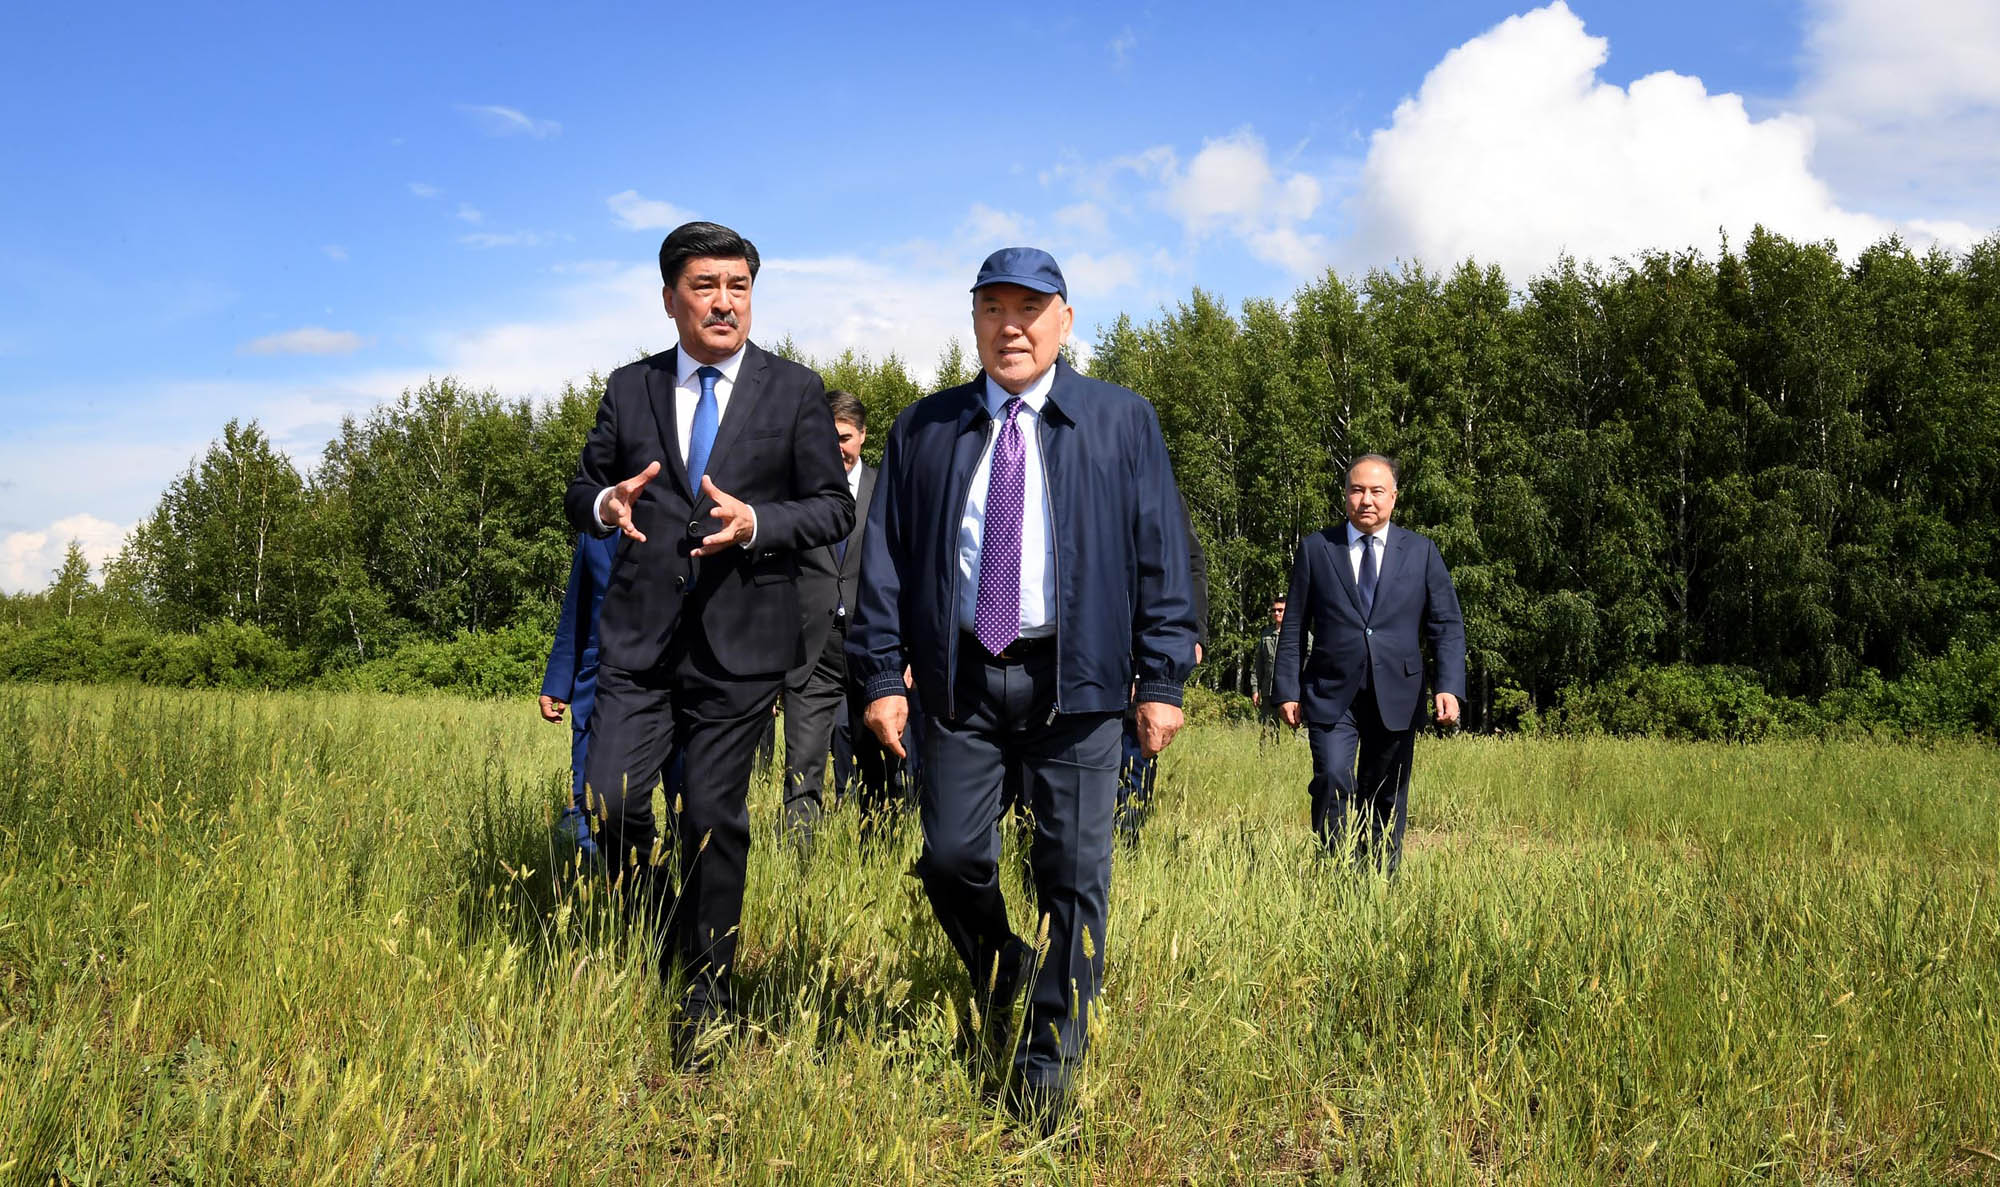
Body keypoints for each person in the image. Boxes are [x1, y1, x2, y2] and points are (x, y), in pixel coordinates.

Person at [848, 247, 1197, 1132]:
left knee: (1073, 876)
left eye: (1031, 309)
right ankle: (1004, 960)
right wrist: (883, 674)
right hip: (961, 681)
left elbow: (1162, 552)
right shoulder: (924, 428)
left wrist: (1161, 678)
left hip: (1077, 683)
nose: (1012, 326)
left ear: (1065, 321)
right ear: (973, 321)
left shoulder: (1120, 420)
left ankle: (1047, 1069)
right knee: (950, 858)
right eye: (994, 308)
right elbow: (883, 563)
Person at [566, 220, 853, 1036]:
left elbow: (833, 507)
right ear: (670, 299)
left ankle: (706, 991)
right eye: (705, 287)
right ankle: (664, 919)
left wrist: (759, 521)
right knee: (611, 797)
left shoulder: (793, 389)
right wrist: (606, 503)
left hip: (742, 642)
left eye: (739, 287)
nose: (724, 302)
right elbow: (582, 490)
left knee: (711, 816)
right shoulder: (630, 388)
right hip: (640, 640)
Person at [1273, 454, 1465, 875]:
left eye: (1377, 491)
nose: (1366, 500)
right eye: (1357, 490)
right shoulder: (1317, 549)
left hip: (1397, 693)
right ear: (1345, 495)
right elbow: (1295, 625)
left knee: (1385, 794)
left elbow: (1446, 624)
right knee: (1332, 778)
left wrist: (1448, 686)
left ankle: (1378, 881)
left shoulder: (1421, 552)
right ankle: (1336, 873)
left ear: (1394, 497)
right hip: (1329, 692)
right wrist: (1286, 689)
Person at [778, 391, 879, 845]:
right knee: (802, 769)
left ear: (862, 436)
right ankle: (799, 869)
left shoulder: (885, 489)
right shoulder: (793, 494)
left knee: (879, 769)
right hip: (809, 651)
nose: (836, 447)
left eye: (844, 437)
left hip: (873, 647)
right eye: (826, 437)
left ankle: (877, 861)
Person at [1113, 497, 1208, 845]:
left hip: (1142, 645)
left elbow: (1189, 563)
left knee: (1136, 745)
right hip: (1070, 647)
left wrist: (1194, 632)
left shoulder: (1154, 485)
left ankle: (1125, 844)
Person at [538, 530, 621, 867]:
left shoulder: (686, 516)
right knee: (585, 796)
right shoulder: (596, 533)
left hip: (674, 685)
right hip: (598, 686)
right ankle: (585, 876)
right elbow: (576, 609)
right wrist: (558, 680)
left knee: (684, 799)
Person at [1252, 596, 1286, 746]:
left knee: (1298, 729)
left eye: (1280, 610)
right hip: (1269, 690)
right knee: (1268, 729)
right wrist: (1255, 689)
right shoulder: (1266, 635)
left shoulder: (1297, 632)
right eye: (1274, 610)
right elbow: (1258, 664)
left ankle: (1298, 757)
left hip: (1292, 691)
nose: (1276, 613)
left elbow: (1310, 657)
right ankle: (1268, 758)